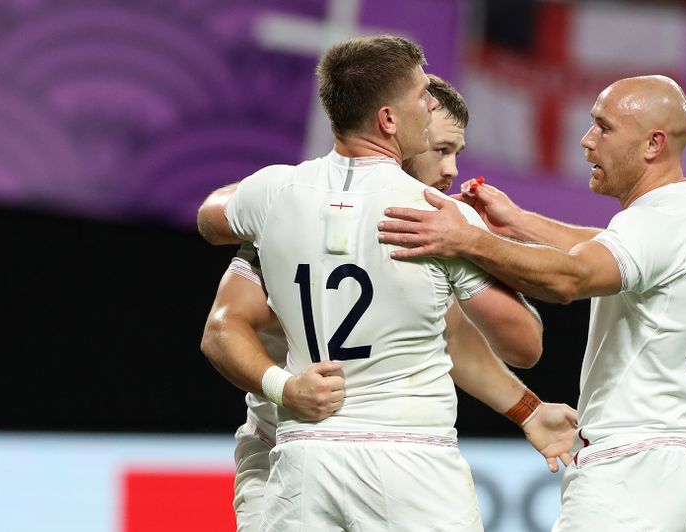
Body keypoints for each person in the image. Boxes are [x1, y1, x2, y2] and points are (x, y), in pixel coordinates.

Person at [200, 73, 578, 532]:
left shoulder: (408, 225)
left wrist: (529, 410)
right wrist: (284, 387)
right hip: (291, 442)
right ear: (399, 130)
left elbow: (455, 341)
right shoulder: (295, 207)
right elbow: (223, 326)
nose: (451, 170)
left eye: (457, 153)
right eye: (441, 148)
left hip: (320, 452)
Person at [378, 75, 686, 532]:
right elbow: (604, 248)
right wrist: (518, 224)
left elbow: (571, 278)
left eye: (604, 127)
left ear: (653, 144)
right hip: (673, 470)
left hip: (629, 474)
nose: (586, 140)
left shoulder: (657, 224)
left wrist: (468, 240)